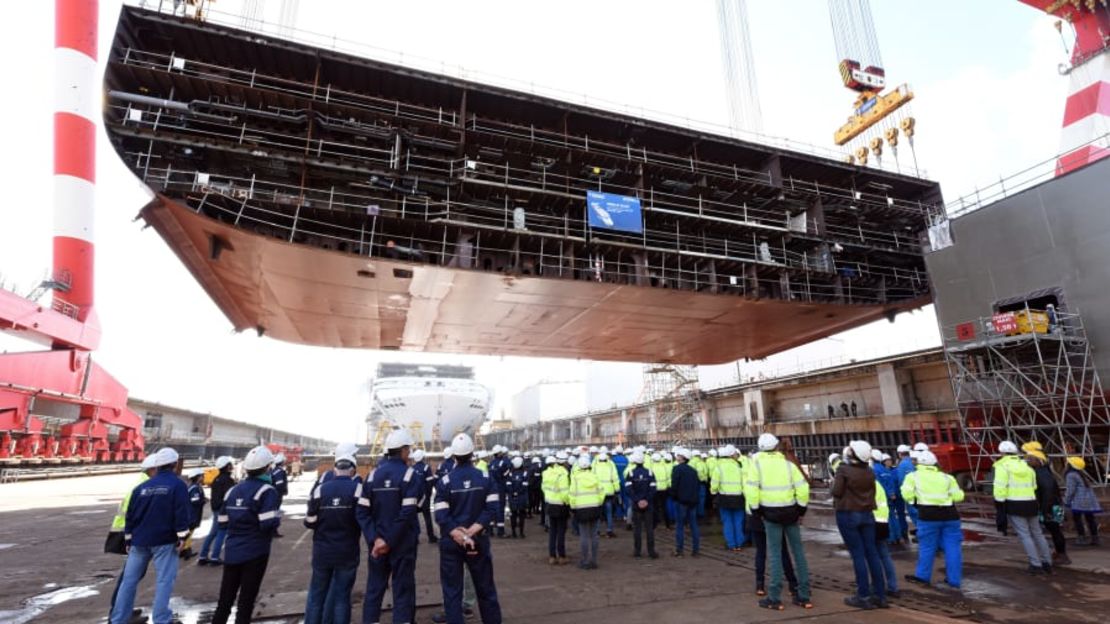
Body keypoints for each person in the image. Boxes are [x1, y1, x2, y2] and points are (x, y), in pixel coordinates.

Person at [110, 448, 191, 624]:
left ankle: (118, 620)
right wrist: (183, 537)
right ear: (175, 465)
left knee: (128, 583)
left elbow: (130, 515)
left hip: (139, 541)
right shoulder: (178, 486)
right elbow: (182, 513)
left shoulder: (141, 488)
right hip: (164, 541)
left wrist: (129, 539)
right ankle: (161, 619)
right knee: (164, 581)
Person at [434, 433, 503, 624]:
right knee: (486, 589)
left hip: (452, 543)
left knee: (452, 592)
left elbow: (440, 515)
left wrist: (459, 534)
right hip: (478, 540)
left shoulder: (445, 482)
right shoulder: (485, 478)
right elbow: (493, 508)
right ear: (473, 453)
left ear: (454, 456)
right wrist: (472, 531)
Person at [357, 429, 423, 624]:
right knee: (403, 590)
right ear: (403, 450)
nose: (409, 453)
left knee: (374, 589)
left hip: (377, 545)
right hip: (402, 544)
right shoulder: (410, 475)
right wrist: (389, 541)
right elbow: (408, 512)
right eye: (408, 449)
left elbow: (362, 512)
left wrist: (375, 539)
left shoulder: (371, 476)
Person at [212, 445, 282, 624]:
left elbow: (222, 522)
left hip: (232, 551)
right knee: (246, 601)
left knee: (225, 600)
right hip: (256, 552)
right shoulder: (267, 491)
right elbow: (268, 523)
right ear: (267, 468)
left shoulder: (233, 491)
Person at [745, 433, 813, 611]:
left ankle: (774, 597)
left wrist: (756, 510)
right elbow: (803, 488)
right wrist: (801, 509)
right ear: (777, 447)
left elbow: (752, 489)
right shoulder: (788, 465)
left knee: (775, 554)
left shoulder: (756, 465)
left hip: (770, 514)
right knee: (798, 553)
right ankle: (804, 594)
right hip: (791, 511)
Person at [303, 451, 362, 624]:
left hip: (322, 552)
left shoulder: (320, 490)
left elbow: (310, 521)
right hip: (347, 552)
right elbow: (361, 519)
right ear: (353, 470)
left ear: (334, 470)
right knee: (342, 599)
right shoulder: (357, 489)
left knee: (316, 597)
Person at [832, 440, 886, 609]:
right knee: (872, 554)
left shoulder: (843, 470)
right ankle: (879, 595)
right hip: (867, 515)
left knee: (858, 555)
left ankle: (862, 595)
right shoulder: (869, 471)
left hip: (848, 514)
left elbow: (836, 492)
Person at [106, 453, 160, 623]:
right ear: (153, 469)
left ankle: (122, 609)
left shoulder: (141, 481)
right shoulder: (145, 485)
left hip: (128, 532)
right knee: (129, 577)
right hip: (132, 534)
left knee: (131, 576)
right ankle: (119, 612)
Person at [902, 450, 965, 589]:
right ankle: (954, 581)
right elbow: (959, 496)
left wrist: (915, 502)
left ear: (918, 463)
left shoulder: (913, 476)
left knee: (927, 547)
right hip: (950, 514)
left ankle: (923, 576)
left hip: (928, 514)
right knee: (953, 548)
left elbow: (906, 494)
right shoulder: (947, 477)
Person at [993, 440, 1052, 574]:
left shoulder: (1002, 466)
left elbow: (999, 488)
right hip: (1031, 503)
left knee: (1025, 535)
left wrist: (1000, 505)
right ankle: (1047, 562)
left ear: (1001, 453)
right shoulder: (1027, 466)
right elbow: (1034, 487)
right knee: (1038, 533)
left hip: (1014, 504)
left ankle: (1035, 565)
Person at [1025, 445, 1068, 565]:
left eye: (1030, 459)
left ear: (1038, 461)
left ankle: (1062, 555)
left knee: (1055, 531)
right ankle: (1059, 553)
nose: (1028, 461)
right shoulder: (1044, 471)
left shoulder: (1041, 473)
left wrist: (1045, 510)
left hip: (1050, 507)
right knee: (1055, 531)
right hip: (1052, 505)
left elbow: (1048, 492)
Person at [569, 453, 604, 569]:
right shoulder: (595, 477)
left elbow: (572, 495)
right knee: (594, 535)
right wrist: (598, 503)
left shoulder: (575, 478)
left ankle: (584, 561)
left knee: (584, 536)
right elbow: (601, 492)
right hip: (594, 508)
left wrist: (573, 507)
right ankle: (594, 561)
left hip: (581, 509)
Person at [199, 456, 236, 566]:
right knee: (221, 532)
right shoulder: (228, 480)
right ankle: (215, 557)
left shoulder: (216, 479)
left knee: (213, 533)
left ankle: (203, 556)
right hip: (223, 510)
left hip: (215, 508)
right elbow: (229, 496)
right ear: (227, 466)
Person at [871, 467, 900, 599]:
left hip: (870, 523)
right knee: (884, 556)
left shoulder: (866, 486)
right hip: (882, 522)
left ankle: (877, 587)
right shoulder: (878, 485)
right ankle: (893, 586)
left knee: (871, 557)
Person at [711, 445, 746, 551]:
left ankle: (731, 544)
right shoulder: (739, 466)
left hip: (724, 498)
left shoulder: (719, 468)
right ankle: (739, 544)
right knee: (738, 522)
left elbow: (714, 484)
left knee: (727, 522)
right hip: (739, 497)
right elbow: (744, 482)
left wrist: (713, 492)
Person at [624, 450, 657, 559]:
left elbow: (628, 489)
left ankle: (637, 552)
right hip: (649, 504)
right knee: (649, 529)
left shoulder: (631, 473)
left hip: (636, 505)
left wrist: (638, 500)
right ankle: (651, 552)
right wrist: (646, 500)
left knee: (637, 529)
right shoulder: (650, 473)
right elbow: (653, 488)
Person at [1064, 456, 1101, 545]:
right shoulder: (1081, 474)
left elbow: (1070, 490)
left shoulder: (1071, 475)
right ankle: (1095, 538)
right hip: (1088, 500)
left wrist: (1067, 501)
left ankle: (1081, 538)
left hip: (1078, 501)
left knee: (1077, 519)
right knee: (1090, 519)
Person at [671, 448, 701, 557]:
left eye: (678, 455)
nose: (677, 457)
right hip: (692, 501)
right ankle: (696, 550)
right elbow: (697, 486)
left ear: (682, 457)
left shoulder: (677, 469)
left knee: (679, 526)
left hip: (681, 501)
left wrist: (674, 497)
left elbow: (674, 485)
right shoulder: (693, 471)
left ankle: (680, 550)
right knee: (694, 525)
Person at [543, 453, 571, 564]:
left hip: (550, 504)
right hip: (560, 505)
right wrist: (569, 502)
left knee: (552, 531)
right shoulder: (563, 474)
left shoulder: (547, 473)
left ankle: (552, 556)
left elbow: (544, 488)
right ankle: (562, 556)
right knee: (561, 531)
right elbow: (564, 493)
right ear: (564, 462)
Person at [411, 449, 440, 544]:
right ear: (422, 458)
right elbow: (430, 483)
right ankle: (431, 537)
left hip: (414, 498)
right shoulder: (426, 468)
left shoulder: (411, 469)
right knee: (427, 518)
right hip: (424, 498)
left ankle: (414, 538)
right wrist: (428, 496)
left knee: (413, 519)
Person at [181, 468, 207, 560]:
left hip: (192, 513)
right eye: (201, 476)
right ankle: (186, 550)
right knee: (189, 532)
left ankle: (184, 549)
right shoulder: (195, 488)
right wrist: (203, 500)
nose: (203, 477)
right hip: (192, 514)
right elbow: (194, 500)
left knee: (189, 532)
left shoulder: (193, 486)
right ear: (197, 477)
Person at [892, 444, 914, 545]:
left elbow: (901, 480)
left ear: (899, 454)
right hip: (919, 492)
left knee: (914, 513)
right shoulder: (913, 462)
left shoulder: (902, 465)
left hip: (909, 493)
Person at [594, 452, 619, 537]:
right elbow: (615, 478)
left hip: (598, 492)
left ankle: (597, 531)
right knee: (609, 512)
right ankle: (609, 530)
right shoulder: (611, 466)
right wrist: (617, 489)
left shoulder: (595, 466)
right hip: (609, 492)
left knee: (598, 513)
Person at [505, 456, 530, 538]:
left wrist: (513, 492)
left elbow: (508, 485)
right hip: (522, 497)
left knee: (513, 515)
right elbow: (525, 486)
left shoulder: (510, 473)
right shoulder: (525, 473)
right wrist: (518, 492)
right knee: (522, 515)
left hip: (512, 497)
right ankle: (521, 533)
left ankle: (514, 533)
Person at [651, 452, 671, 529]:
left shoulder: (651, 468)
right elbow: (668, 478)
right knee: (664, 507)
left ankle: (654, 524)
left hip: (655, 489)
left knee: (655, 507)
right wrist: (669, 486)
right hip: (664, 489)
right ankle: (667, 524)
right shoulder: (664, 467)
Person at [611, 446, 630, 525]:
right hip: (624, 481)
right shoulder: (626, 459)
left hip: (616, 482)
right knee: (626, 498)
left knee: (618, 498)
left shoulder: (613, 460)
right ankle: (626, 514)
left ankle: (619, 514)